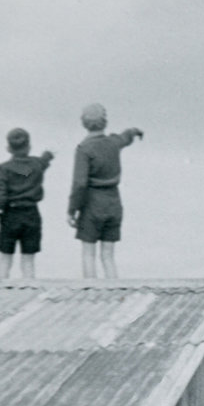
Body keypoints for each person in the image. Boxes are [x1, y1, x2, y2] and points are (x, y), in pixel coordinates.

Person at [67, 103, 144, 278]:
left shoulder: (83, 150)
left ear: (84, 123)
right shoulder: (113, 143)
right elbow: (125, 137)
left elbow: (79, 184)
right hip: (114, 204)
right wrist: (134, 131)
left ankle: (91, 296)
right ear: (105, 122)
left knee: (88, 254)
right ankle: (115, 294)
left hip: (92, 206)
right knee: (108, 256)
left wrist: (72, 210)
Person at [0, 128, 54, 279]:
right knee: (28, 261)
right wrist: (48, 155)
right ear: (29, 146)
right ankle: (29, 291)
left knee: (5, 259)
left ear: (8, 148)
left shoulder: (3, 169)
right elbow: (43, 162)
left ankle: (0, 293)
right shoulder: (36, 165)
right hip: (31, 215)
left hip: (10, 216)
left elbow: (0, 196)